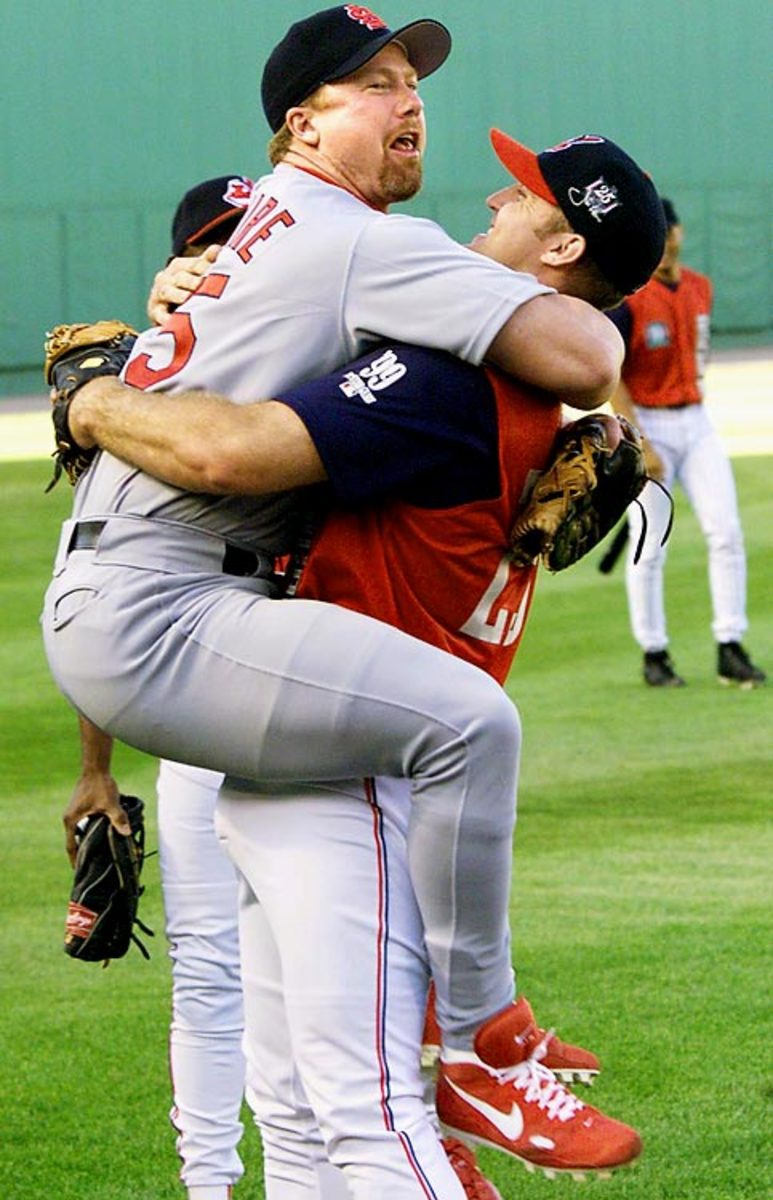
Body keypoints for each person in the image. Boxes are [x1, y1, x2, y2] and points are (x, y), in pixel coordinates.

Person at [51, 121, 665, 1194]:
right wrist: (193, 309)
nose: (491, 200)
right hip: (293, 711)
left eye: (521, 197)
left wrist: (99, 399)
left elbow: (222, 450)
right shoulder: (506, 371)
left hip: (341, 756)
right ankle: (471, 1060)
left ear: (561, 249)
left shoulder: (443, 380)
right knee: (318, 1104)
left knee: (348, 1111)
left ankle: (480, 1049)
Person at [609, 197, 766, 689]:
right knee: (649, 544)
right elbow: (614, 375)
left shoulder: (701, 287)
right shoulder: (627, 299)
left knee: (726, 532)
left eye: (667, 231)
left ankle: (730, 644)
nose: (664, 242)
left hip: (696, 419)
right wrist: (640, 444)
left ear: (676, 233)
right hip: (648, 422)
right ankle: (654, 652)